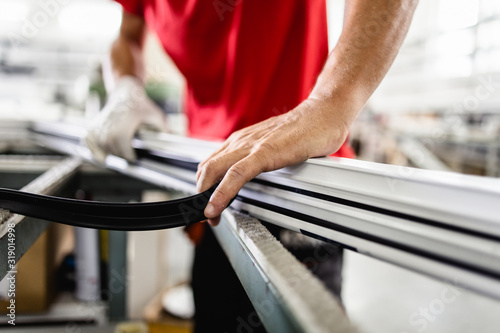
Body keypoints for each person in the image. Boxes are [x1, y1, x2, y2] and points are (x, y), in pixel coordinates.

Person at [85, 1, 418, 331]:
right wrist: (125, 88)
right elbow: (127, 35)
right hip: (214, 191)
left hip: (299, 193)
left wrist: (332, 100)